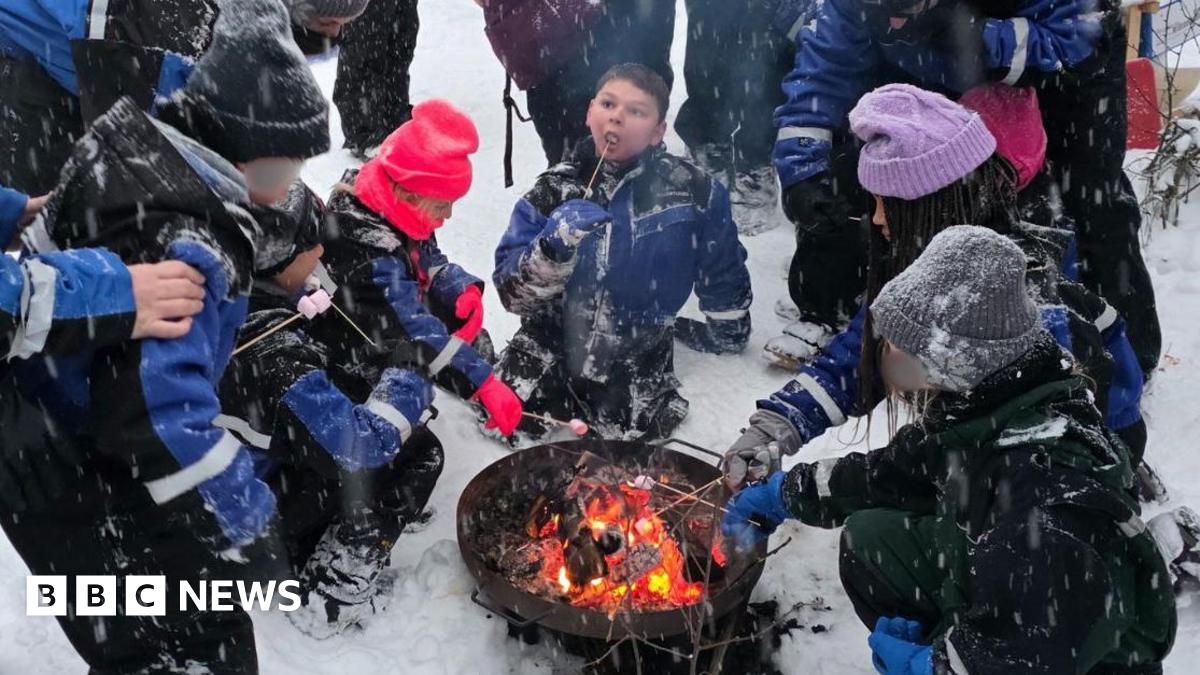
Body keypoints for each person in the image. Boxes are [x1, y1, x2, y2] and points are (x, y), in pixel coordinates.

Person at [5, 1, 331, 670]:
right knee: (178, 641)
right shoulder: (188, 249)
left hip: (46, 417)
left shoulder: (136, 146)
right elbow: (158, 416)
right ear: (257, 164)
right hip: (63, 458)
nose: (291, 185)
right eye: (287, 170)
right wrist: (244, 518)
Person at [723, 226, 1176, 674]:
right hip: (1018, 586)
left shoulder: (1040, 493)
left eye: (900, 347)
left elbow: (1039, 650)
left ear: (952, 360)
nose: (888, 355)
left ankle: (963, 646)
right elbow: (893, 474)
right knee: (872, 537)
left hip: (1080, 654)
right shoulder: (989, 399)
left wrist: (938, 667)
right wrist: (784, 493)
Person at [726, 85, 1149, 495]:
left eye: (884, 204)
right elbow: (861, 351)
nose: (873, 220)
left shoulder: (1021, 305)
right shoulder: (934, 272)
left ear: (934, 205)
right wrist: (778, 424)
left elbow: (1016, 449)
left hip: (1049, 480)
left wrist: (1114, 468)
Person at [769, 0, 1161, 379]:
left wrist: (982, 36)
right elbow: (823, 75)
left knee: (1088, 194)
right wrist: (801, 170)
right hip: (929, 72)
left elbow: (1073, 41)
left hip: (1061, 76)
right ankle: (833, 310)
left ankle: (1117, 346)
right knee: (861, 167)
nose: (891, 22)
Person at [217, 180, 442, 638]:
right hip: (239, 520)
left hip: (211, 482)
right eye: (310, 242)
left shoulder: (222, 298)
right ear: (273, 256)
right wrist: (407, 382)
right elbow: (355, 447)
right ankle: (330, 596)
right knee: (417, 453)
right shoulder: (272, 354)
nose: (322, 249)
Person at [493, 63, 752, 442]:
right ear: (589, 112)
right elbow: (512, 296)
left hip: (637, 360)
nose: (617, 116)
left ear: (658, 132)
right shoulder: (553, 190)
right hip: (547, 351)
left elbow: (721, 261)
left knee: (626, 460)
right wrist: (552, 249)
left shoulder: (694, 191)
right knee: (516, 445)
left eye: (637, 111)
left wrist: (729, 323)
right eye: (608, 103)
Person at [310, 98, 524, 443]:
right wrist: (483, 382)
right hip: (354, 342)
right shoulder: (366, 247)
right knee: (429, 358)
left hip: (392, 313)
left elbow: (424, 252)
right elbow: (417, 328)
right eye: (443, 205)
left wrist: (454, 285)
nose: (449, 215)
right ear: (405, 192)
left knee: (465, 341)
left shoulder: (391, 202)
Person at [0, 0, 368, 193]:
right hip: (27, 57)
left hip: (69, 63)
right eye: (327, 25)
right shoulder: (171, 36)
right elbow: (135, 151)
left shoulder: (232, 26)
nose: (336, 36)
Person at [479, 0, 676, 166]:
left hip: (622, 23)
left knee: (641, 95)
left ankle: (641, 184)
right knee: (573, 158)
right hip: (554, 40)